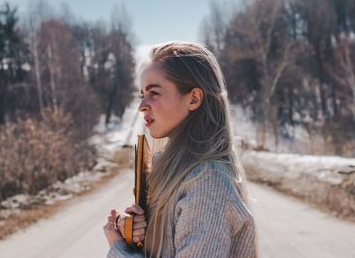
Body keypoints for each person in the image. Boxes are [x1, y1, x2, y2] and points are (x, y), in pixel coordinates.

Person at [103, 42, 257, 258]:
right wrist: (135, 234)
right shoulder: (179, 176)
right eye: (142, 95)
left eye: (154, 93)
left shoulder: (206, 182)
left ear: (193, 99)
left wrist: (118, 250)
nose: (142, 105)